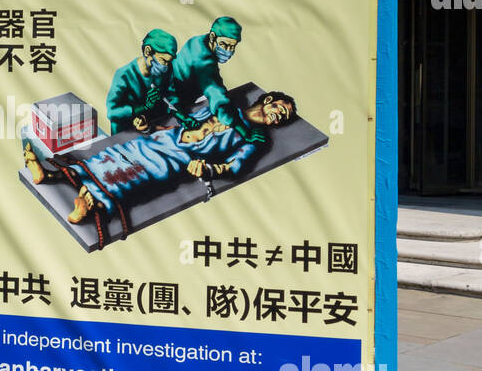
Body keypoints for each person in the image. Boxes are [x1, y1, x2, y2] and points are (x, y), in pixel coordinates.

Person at [35, 93, 296, 241]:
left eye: (280, 117)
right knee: (119, 154)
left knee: (135, 174)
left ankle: (90, 206)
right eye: (276, 107)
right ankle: (52, 174)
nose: (274, 113)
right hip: (169, 137)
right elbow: (187, 118)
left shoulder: (256, 138)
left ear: (276, 124)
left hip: (182, 156)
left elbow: (236, 166)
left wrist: (209, 169)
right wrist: (149, 127)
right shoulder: (223, 104)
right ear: (267, 99)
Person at [169, 17, 265, 145]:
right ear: (213, 37)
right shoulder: (203, 60)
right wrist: (245, 132)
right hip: (169, 99)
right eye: (224, 45)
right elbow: (217, 95)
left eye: (233, 46)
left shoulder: (199, 41)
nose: (228, 51)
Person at [104, 28, 178, 134]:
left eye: (168, 62)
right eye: (163, 61)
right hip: (126, 134)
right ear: (147, 51)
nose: (165, 66)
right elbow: (112, 112)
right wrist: (143, 108)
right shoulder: (124, 75)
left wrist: (181, 115)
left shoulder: (167, 69)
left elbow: (171, 95)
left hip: (154, 127)